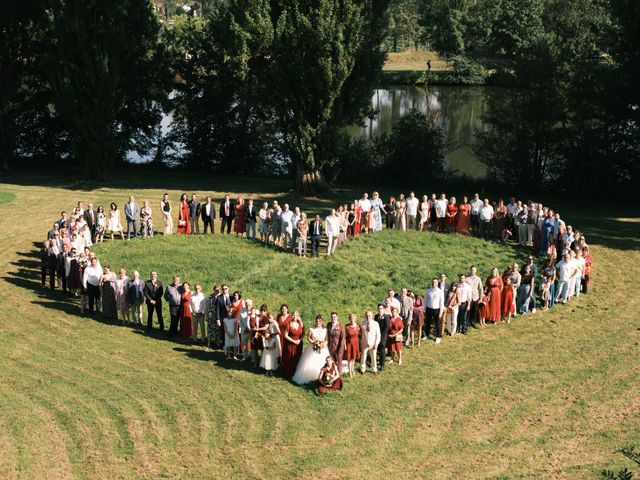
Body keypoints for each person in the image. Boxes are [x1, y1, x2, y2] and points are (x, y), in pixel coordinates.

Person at [293, 315, 330, 384]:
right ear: (315, 321)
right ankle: (309, 376)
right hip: (312, 347)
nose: (318, 322)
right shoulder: (312, 328)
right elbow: (308, 337)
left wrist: (323, 345)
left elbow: (327, 340)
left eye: (320, 321)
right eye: (317, 321)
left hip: (322, 348)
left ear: (322, 321)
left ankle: (319, 377)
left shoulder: (325, 329)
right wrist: (314, 343)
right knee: (310, 361)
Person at [282, 311, 304, 379]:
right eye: (293, 315)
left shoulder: (300, 325)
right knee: (289, 358)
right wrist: (293, 341)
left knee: (297, 357)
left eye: (296, 315)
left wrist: (299, 340)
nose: (295, 316)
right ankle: (288, 373)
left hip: (298, 344)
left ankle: (295, 373)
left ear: (298, 316)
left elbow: (303, 334)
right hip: (290, 343)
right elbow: (285, 335)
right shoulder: (289, 324)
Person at [359, 310, 380, 374]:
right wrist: (360, 341)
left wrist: (376, 343)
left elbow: (378, 334)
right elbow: (359, 333)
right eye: (367, 315)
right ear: (365, 316)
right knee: (363, 357)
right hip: (364, 343)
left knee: (373, 357)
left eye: (370, 315)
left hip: (373, 343)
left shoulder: (375, 323)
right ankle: (363, 370)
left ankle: (374, 370)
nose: (368, 317)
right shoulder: (362, 323)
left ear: (372, 316)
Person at [424, 278, 444, 343]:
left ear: (437, 283)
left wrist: (441, 312)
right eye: (433, 282)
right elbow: (426, 300)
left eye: (435, 282)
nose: (434, 283)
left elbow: (441, 303)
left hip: (436, 309)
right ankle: (426, 335)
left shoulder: (440, 291)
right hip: (429, 309)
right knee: (427, 323)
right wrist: (424, 309)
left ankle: (438, 336)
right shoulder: (428, 290)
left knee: (437, 323)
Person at [206, 285, 223, 349]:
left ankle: (218, 343)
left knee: (218, 330)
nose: (217, 290)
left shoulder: (222, 296)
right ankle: (209, 343)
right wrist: (207, 316)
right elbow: (207, 307)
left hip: (219, 316)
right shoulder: (210, 297)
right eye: (216, 289)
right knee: (210, 329)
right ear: (214, 289)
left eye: (218, 289)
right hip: (211, 316)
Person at [344, 314, 360, 378]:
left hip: (355, 344)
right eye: (351, 318)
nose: (352, 319)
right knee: (349, 359)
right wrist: (345, 345)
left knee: (353, 358)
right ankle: (350, 372)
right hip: (349, 344)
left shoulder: (358, 326)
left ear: (355, 319)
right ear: (349, 319)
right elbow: (344, 337)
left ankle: (353, 370)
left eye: (353, 318)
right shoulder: (347, 327)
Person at [374, 304, 390, 372]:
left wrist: (381, 336)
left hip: (383, 335)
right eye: (379, 308)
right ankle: (378, 361)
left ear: (383, 309)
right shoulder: (376, 316)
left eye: (381, 308)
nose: (380, 310)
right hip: (376, 335)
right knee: (378, 349)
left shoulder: (386, 317)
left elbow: (386, 328)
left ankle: (382, 364)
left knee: (382, 349)